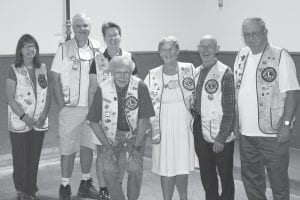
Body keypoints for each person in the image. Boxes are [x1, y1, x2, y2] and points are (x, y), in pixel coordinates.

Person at [234, 17, 300, 200]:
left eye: (255, 33)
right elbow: (238, 92)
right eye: (246, 35)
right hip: (247, 134)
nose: (250, 38)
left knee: (278, 182)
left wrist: (286, 124)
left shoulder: (280, 55)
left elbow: (293, 92)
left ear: (265, 32)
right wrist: (236, 122)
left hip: (273, 134)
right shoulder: (241, 56)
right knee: (252, 181)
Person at [87, 55, 155, 200]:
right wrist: (107, 146)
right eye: (118, 72)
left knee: (135, 168)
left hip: (136, 134)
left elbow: (144, 120)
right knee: (107, 168)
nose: (123, 76)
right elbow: (93, 121)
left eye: (127, 72)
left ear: (131, 72)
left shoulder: (140, 86)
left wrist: (136, 149)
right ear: (112, 72)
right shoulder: (103, 88)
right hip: (111, 135)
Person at [51, 13, 101, 200]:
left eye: (85, 25)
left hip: (92, 108)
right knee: (67, 148)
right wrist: (61, 106)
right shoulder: (64, 48)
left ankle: (85, 183)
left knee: (88, 146)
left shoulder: (98, 48)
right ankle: (65, 185)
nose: (82, 29)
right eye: (78, 26)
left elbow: (103, 76)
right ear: (73, 28)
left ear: (90, 27)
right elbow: (54, 77)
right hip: (70, 108)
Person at [87, 21, 139, 200]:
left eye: (115, 34)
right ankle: (103, 190)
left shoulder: (129, 57)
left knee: (122, 151)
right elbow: (93, 88)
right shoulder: (98, 60)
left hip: (125, 116)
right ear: (104, 38)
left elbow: (136, 89)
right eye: (109, 35)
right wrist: (92, 116)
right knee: (103, 152)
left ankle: (116, 185)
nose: (113, 38)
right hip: (103, 115)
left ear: (120, 36)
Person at [144, 36, 195, 200]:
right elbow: (144, 102)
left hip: (184, 124)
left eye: (171, 49)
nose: (168, 53)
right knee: (166, 166)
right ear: (159, 53)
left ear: (178, 50)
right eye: (164, 50)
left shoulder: (189, 69)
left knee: (182, 164)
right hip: (162, 126)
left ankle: (184, 197)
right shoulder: (152, 75)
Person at [6, 34, 51, 200]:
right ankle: (21, 191)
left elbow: (48, 95)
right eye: (26, 46)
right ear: (20, 50)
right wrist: (25, 117)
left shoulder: (43, 68)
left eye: (33, 46)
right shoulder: (13, 69)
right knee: (20, 160)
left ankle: (32, 189)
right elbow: (9, 97)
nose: (30, 49)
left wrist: (43, 115)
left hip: (39, 122)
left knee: (34, 158)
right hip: (20, 122)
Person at [193, 35, 235, 200]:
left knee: (225, 174)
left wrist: (221, 137)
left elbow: (230, 110)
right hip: (199, 127)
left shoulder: (225, 73)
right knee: (206, 171)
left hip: (220, 131)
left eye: (209, 46)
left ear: (217, 49)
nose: (205, 50)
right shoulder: (196, 72)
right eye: (201, 46)